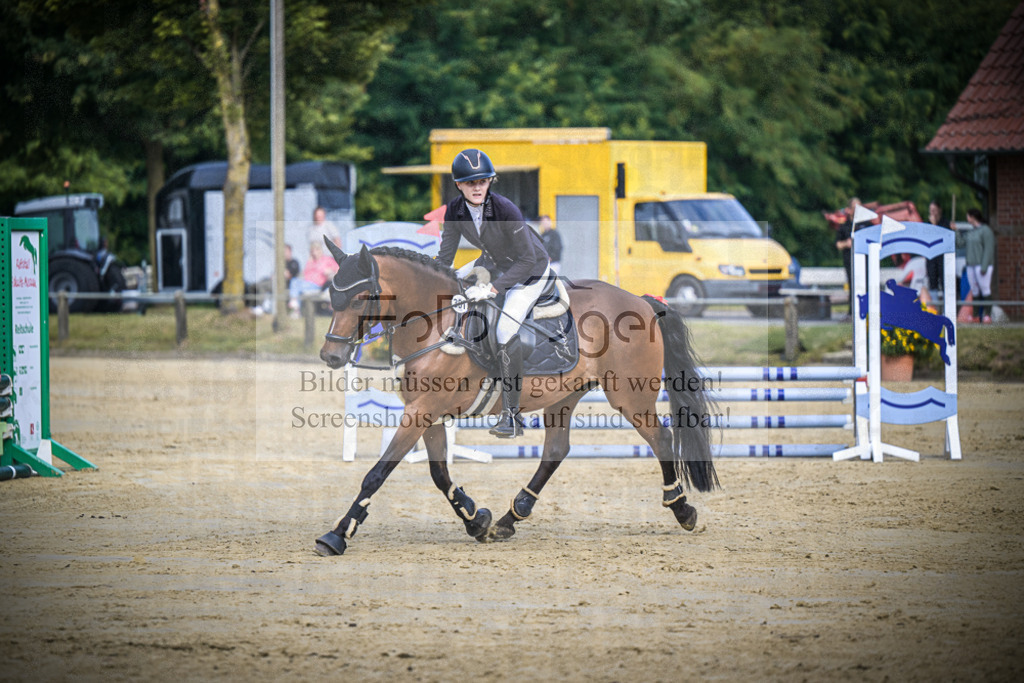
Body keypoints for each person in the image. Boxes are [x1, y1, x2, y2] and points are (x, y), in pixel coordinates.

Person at [435, 148, 552, 438]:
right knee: (455, 284)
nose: (477, 187)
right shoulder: (454, 210)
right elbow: (445, 258)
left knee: (504, 330)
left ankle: (511, 416)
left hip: (530, 271)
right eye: (470, 182)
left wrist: (492, 288)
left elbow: (526, 260)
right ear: (458, 184)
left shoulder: (505, 209)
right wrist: (428, 279)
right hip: (495, 263)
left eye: (483, 181)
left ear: (490, 182)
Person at [955, 208, 996, 323]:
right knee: (975, 290)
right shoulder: (971, 232)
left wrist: (984, 266)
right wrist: (956, 231)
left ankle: (987, 315)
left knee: (985, 289)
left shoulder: (986, 231)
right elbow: (960, 243)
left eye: (968, 216)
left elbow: (988, 249)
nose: (967, 218)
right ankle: (976, 315)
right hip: (971, 265)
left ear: (972, 217)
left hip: (982, 265)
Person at [289, 241, 338, 315]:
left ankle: (294, 304)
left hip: (318, 285)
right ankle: (295, 305)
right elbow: (305, 274)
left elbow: (339, 271)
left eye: (317, 250)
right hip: (307, 284)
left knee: (296, 285)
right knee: (294, 281)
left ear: (321, 250)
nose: (314, 252)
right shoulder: (311, 261)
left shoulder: (327, 260)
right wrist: (310, 263)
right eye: (312, 250)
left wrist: (330, 272)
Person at [835, 197, 861, 293]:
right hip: (850, 261)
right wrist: (847, 243)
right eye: (855, 207)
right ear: (849, 210)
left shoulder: (865, 224)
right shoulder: (844, 226)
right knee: (853, 287)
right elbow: (838, 244)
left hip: (864, 261)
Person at [925, 200, 951, 294]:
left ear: (939, 210)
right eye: (931, 210)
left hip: (943, 257)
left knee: (945, 282)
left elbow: (943, 238)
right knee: (932, 283)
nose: (932, 212)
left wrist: (934, 225)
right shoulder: (927, 223)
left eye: (934, 210)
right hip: (931, 258)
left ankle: (946, 306)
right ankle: (933, 307)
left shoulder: (945, 223)